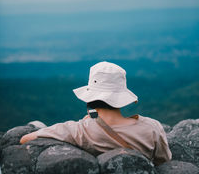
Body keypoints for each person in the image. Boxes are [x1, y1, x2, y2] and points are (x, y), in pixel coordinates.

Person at [20, 61, 172, 165]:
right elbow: (164, 161)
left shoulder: (80, 130)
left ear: (89, 100)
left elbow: (25, 139)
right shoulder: (152, 127)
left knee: (37, 126)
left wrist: (89, 122)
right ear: (120, 99)